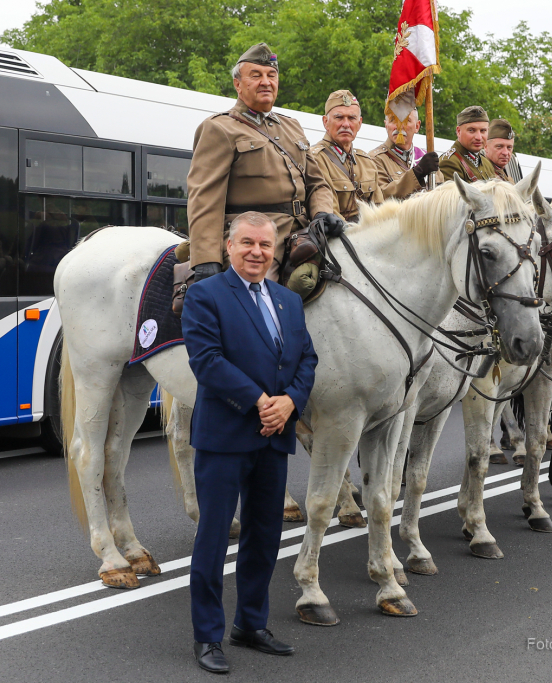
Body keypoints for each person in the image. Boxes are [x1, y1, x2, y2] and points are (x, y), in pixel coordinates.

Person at [183, 212, 318, 675]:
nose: (257, 252)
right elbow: (207, 361)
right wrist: (261, 400)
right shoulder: (205, 295)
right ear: (228, 247)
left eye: (265, 244)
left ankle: (251, 624)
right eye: (247, 243)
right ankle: (207, 635)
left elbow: (307, 358)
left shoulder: (288, 301)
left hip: (274, 435)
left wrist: (289, 404)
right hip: (225, 436)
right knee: (215, 537)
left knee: (265, 537)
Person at [186, 43, 341, 284]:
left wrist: (322, 212)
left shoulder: (291, 126)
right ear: (238, 84)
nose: (266, 82)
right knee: (257, 301)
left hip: (305, 233)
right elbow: (204, 198)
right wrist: (206, 258)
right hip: (254, 241)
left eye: (271, 75)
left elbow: (317, 183)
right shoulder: (219, 128)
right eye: (256, 76)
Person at [309, 89, 384, 222]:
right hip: (338, 236)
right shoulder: (316, 159)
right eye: (339, 117)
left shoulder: (366, 162)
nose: (346, 124)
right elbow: (330, 213)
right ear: (325, 122)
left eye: (352, 118)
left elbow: (380, 211)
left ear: (359, 123)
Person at [369, 108, 443, 199]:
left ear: (417, 126)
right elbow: (382, 196)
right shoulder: (374, 159)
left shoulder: (426, 158)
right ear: (386, 125)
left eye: (406, 120)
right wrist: (417, 173)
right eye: (393, 120)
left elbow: (442, 195)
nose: (399, 126)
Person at [439, 106, 498, 182]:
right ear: (458, 131)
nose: (478, 137)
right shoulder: (449, 162)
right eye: (471, 130)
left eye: (483, 130)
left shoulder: (486, 162)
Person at [484, 119, 516, 183]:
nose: (505, 153)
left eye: (509, 147)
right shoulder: (481, 174)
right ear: (486, 147)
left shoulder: (507, 177)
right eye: (499, 146)